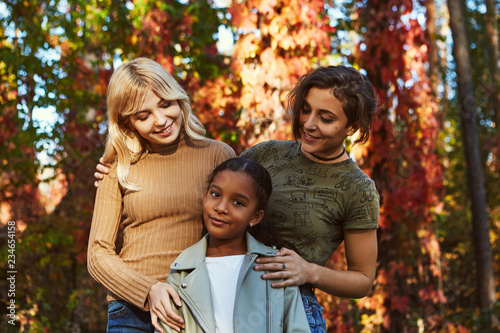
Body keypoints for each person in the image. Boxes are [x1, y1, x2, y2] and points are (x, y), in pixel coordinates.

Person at [95, 65, 380, 333]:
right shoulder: (267, 154)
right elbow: (217, 192)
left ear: (352, 127)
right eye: (305, 110)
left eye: (326, 118)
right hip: (220, 294)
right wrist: (115, 171)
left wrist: (310, 271)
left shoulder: (358, 189)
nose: (309, 123)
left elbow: (363, 281)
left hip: (289, 302)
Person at [87, 57, 235, 333]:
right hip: (129, 310)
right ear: (127, 122)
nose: (161, 120)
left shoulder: (217, 155)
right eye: (143, 116)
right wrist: (148, 290)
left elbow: (237, 231)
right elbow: (97, 254)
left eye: (166, 104)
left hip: (192, 305)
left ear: (178, 99)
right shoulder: (116, 167)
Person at [159, 157, 310, 333]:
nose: (221, 207)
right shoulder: (183, 269)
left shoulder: (275, 267)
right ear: (204, 197)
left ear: (255, 217)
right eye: (215, 194)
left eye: (238, 203)